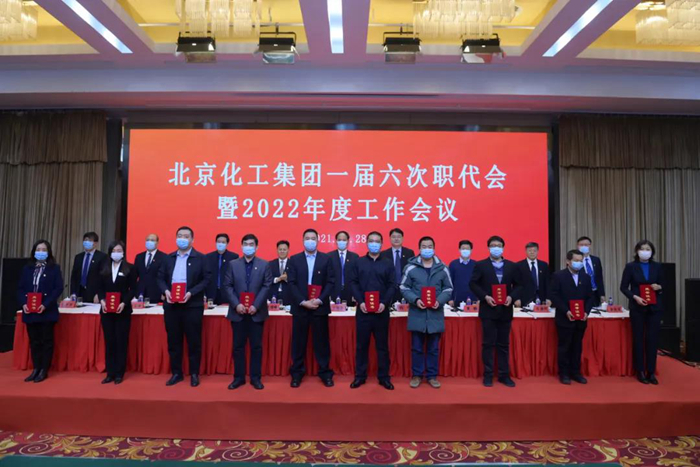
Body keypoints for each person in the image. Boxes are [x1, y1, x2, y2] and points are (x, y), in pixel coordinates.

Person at [157, 226, 211, 387]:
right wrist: (166, 291)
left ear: (192, 240)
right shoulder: (168, 258)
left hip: (192, 306)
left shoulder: (201, 258)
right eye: (179, 236)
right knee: (174, 341)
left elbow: (206, 279)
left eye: (186, 236)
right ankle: (177, 373)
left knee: (194, 341)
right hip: (172, 306)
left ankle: (194, 374)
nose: (182, 239)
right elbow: (160, 278)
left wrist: (191, 293)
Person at [399, 236, 453, 389]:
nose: (427, 249)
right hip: (417, 314)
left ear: (434, 248)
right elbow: (403, 287)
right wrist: (415, 300)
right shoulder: (411, 267)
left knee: (433, 349)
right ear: (419, 248)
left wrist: (439, 301)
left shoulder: (442, 268)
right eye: (424, 246)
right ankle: (416, 375)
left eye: (430, 246)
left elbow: (448, 288)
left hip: (435, 314)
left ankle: (432, 376)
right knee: (416, 348)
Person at [222, 234, 273, 390]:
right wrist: (236, 304)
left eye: (251, 244)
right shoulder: (233, 264)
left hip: (256, 313)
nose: (248, 247)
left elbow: (267, 286)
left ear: (257, 247)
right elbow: (227, 285)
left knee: (256, 347)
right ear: (241, 246)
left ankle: (255, 378)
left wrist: (256, 305)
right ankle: (239, 378)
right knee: (238, 347)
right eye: (245, 244)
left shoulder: (264, 265)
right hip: (237, 312)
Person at [470, 235, 522, 388]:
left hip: (505, 310)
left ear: (503, 248)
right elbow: (473, 284)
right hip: (488, 310)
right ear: (488, 248)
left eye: (498, 245)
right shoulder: (481, 265)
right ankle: (488, 375)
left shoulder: (512, 266)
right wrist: (485, 297)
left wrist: (512, 297)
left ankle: (504, 375)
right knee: (488, 344)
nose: (496, 248)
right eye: (493, 245)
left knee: (503, 344)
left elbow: (520, 285)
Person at [287, 228, 336, 388]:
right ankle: (297, 373)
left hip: (319, 308)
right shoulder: (294, 259)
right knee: (298, 343)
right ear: (303, 241)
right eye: (307, 238)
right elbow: (291, 283)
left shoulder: (326, 259)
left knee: (322, 343)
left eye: (313, 238)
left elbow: (330, 282)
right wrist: (303, 301)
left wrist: (320, 300)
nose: (310, 241)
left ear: (318, 240)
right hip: (300, 308)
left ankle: (325, 373)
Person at [348, 231, 396, 390]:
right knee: (361, 346)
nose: (374, 244)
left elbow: (392, 285)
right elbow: (353, 283)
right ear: (367, 243)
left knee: (382, 346)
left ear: (382, 244)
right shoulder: (358, 262)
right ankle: (360, 377)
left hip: (381, 311)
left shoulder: (388, 263)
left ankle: (384, 377)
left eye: (377, 241)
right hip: (363, 311)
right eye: (371, 241)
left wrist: (384, 302)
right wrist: (360, 301)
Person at [17, 240, 63, 383]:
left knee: (46, 341)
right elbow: (20, 288)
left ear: (48, 252)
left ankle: (44, 369)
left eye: (44, 250)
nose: (41, 252)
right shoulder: (27, 268)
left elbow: (58, 288)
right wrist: (24, 303)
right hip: (30, 311)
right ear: (34, 251)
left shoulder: (54, 268)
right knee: (34, 341)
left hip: (46, 311)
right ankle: (36, 368)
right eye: (38, 249)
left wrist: (45, 304)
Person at [620, 240, 664, 385]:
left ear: (652, 252)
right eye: (642, 249)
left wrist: (659, 287)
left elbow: (664, 284)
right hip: (637, 307)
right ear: (637, 251)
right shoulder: (630, 266)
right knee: (638, 339)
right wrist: (635, 297)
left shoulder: (657, 266)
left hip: (654, 308)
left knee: (652, 339)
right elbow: (623, 287)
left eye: (648, 249)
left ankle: (651, 371)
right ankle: (640, 370)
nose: (645, 251)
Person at [550, 249, 595, 385]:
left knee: (577, 346)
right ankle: (564, 373)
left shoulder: (586, 277)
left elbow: (590, 297)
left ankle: (576, 372)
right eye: (576, 260)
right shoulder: (558, 276)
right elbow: (554, 295)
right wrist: (566, 311)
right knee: (564, 346)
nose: (578, 263)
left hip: (581, 319)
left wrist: (586, 312)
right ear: (568, 262)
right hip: (565, 318)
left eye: (580, 261)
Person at [97, 240, 137, 385]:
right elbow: (99, 287)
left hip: (122, 310)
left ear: (123, 252)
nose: (116, 253)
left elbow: (133, 289)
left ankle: (119, 373)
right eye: (114, 251)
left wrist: (124, 303)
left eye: (119, 251)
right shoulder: (103, 267)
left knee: (121, 341)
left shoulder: (130, 268)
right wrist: (102, 300)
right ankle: (110, 373)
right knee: (109, 341)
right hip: (106, 310)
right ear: (110, 253)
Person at [380, 228, 416, 305]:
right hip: (389, 288)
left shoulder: (409, 253)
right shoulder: (383, 254)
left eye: (398, 237)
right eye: (393, 237)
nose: (396, 239)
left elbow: (413, 271)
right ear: (390, 239)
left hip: (405, 288)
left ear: (402, 238)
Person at [69, 231, 107, 303]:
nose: (87, 242)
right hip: (79, 293)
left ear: (95, 243)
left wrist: (100, 294)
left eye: (90, 240)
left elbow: (104, 278)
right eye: (85, 240)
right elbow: (74, 277)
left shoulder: (102, 257)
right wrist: (73, 293)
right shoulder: (78, 257)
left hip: (94, 295)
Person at [204, 233, 239, 305]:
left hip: (227, 293)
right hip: (211, 293)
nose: (220, 244)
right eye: (218, 242)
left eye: (223, 242)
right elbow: (205, 275)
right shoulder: (208, 257)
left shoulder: (233, 257)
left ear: (227, 244)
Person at [515, 242, 551, 308]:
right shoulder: (519, 265)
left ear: (538, 251)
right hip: (524, 298)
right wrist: (516, 298)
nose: (532, 252)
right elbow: (516, 284)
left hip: (541, 298)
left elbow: (547, 283)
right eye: (530, 250)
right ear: (526, 251)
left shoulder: (544, 265)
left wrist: (549, 298)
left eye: (534, 250)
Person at [134, 233, 167, 304]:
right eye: (148, 240)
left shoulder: (164, 257)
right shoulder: (139, 257)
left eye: (152, 240)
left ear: (157, 243)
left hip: (157, 295)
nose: (149, 242)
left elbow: (166, 277)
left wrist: (164, 292)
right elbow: (134, 276)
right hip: (140, 295)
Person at [328, 231, 359, 304]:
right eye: (339, 240)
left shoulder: (355, 257)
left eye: (344, 240)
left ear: (348, 241)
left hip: (350, 293)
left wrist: (356, 293)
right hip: (333, 292)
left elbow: (357, 277)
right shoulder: (329, 256)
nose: (341, 242)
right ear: (336, 241)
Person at [447, 240, 477, 308]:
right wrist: (450, 298)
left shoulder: (476, 265)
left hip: (473, 300)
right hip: (456, 299)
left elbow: (478, 283)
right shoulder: (453, 264)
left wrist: (478, 298)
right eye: (463, 248)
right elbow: (449, 282)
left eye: (467, 249)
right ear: (459, 250)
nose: (465, 250)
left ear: (471, 250)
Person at [577, 236, 606, 304]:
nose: (584, 246)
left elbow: (599, 278)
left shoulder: (596, 260)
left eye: (586, 245)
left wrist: (602, 294)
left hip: (595, 293)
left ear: (590, 246)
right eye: (581, 245)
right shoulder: (575, 261)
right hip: (581, 294)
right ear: (577, 246)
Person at [269, 240, 290, 304]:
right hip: (273, 295)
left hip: (288, 295)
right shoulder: (270, 264)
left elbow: (297, 279)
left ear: (288, 250)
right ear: (277, 250)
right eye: (280, 249)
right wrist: (278, 279)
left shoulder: (293, 264)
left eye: (284, 249)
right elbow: (267, 279)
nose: (282, 251)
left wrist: (287, 278)